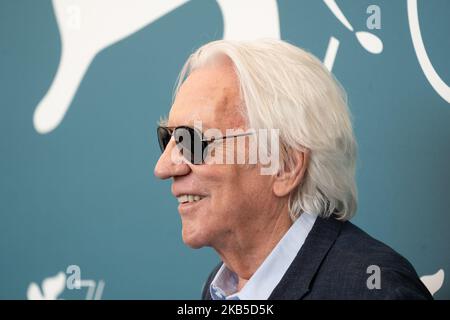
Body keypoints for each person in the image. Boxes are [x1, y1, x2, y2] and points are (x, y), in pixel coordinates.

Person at [154, 39, 432, 300]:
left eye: (191, 141)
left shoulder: (373, 290)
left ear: (284, 165)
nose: (163, 168)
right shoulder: (220, 286)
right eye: (167, 139)